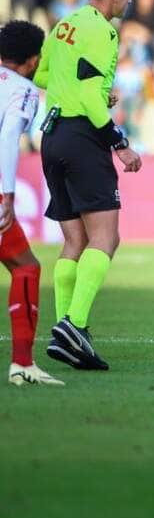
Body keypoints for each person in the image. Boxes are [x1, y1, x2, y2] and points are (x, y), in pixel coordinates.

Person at [37, 0, 142, 371]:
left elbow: (44, 74)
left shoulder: (65, 24)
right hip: (82, 138)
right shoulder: (104, 30)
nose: (129, 1)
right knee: (105, 238)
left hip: (52, 136)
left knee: (73, 241)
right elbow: (85, 95)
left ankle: (64, 332)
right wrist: (119, 143)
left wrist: (94, 93)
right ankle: (75, 325)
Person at [0, 21, 62, 386]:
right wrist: (7, 193)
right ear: (34, 59)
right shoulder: (23, 90)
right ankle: (22, 364)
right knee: (25, 267)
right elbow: (9, 136)